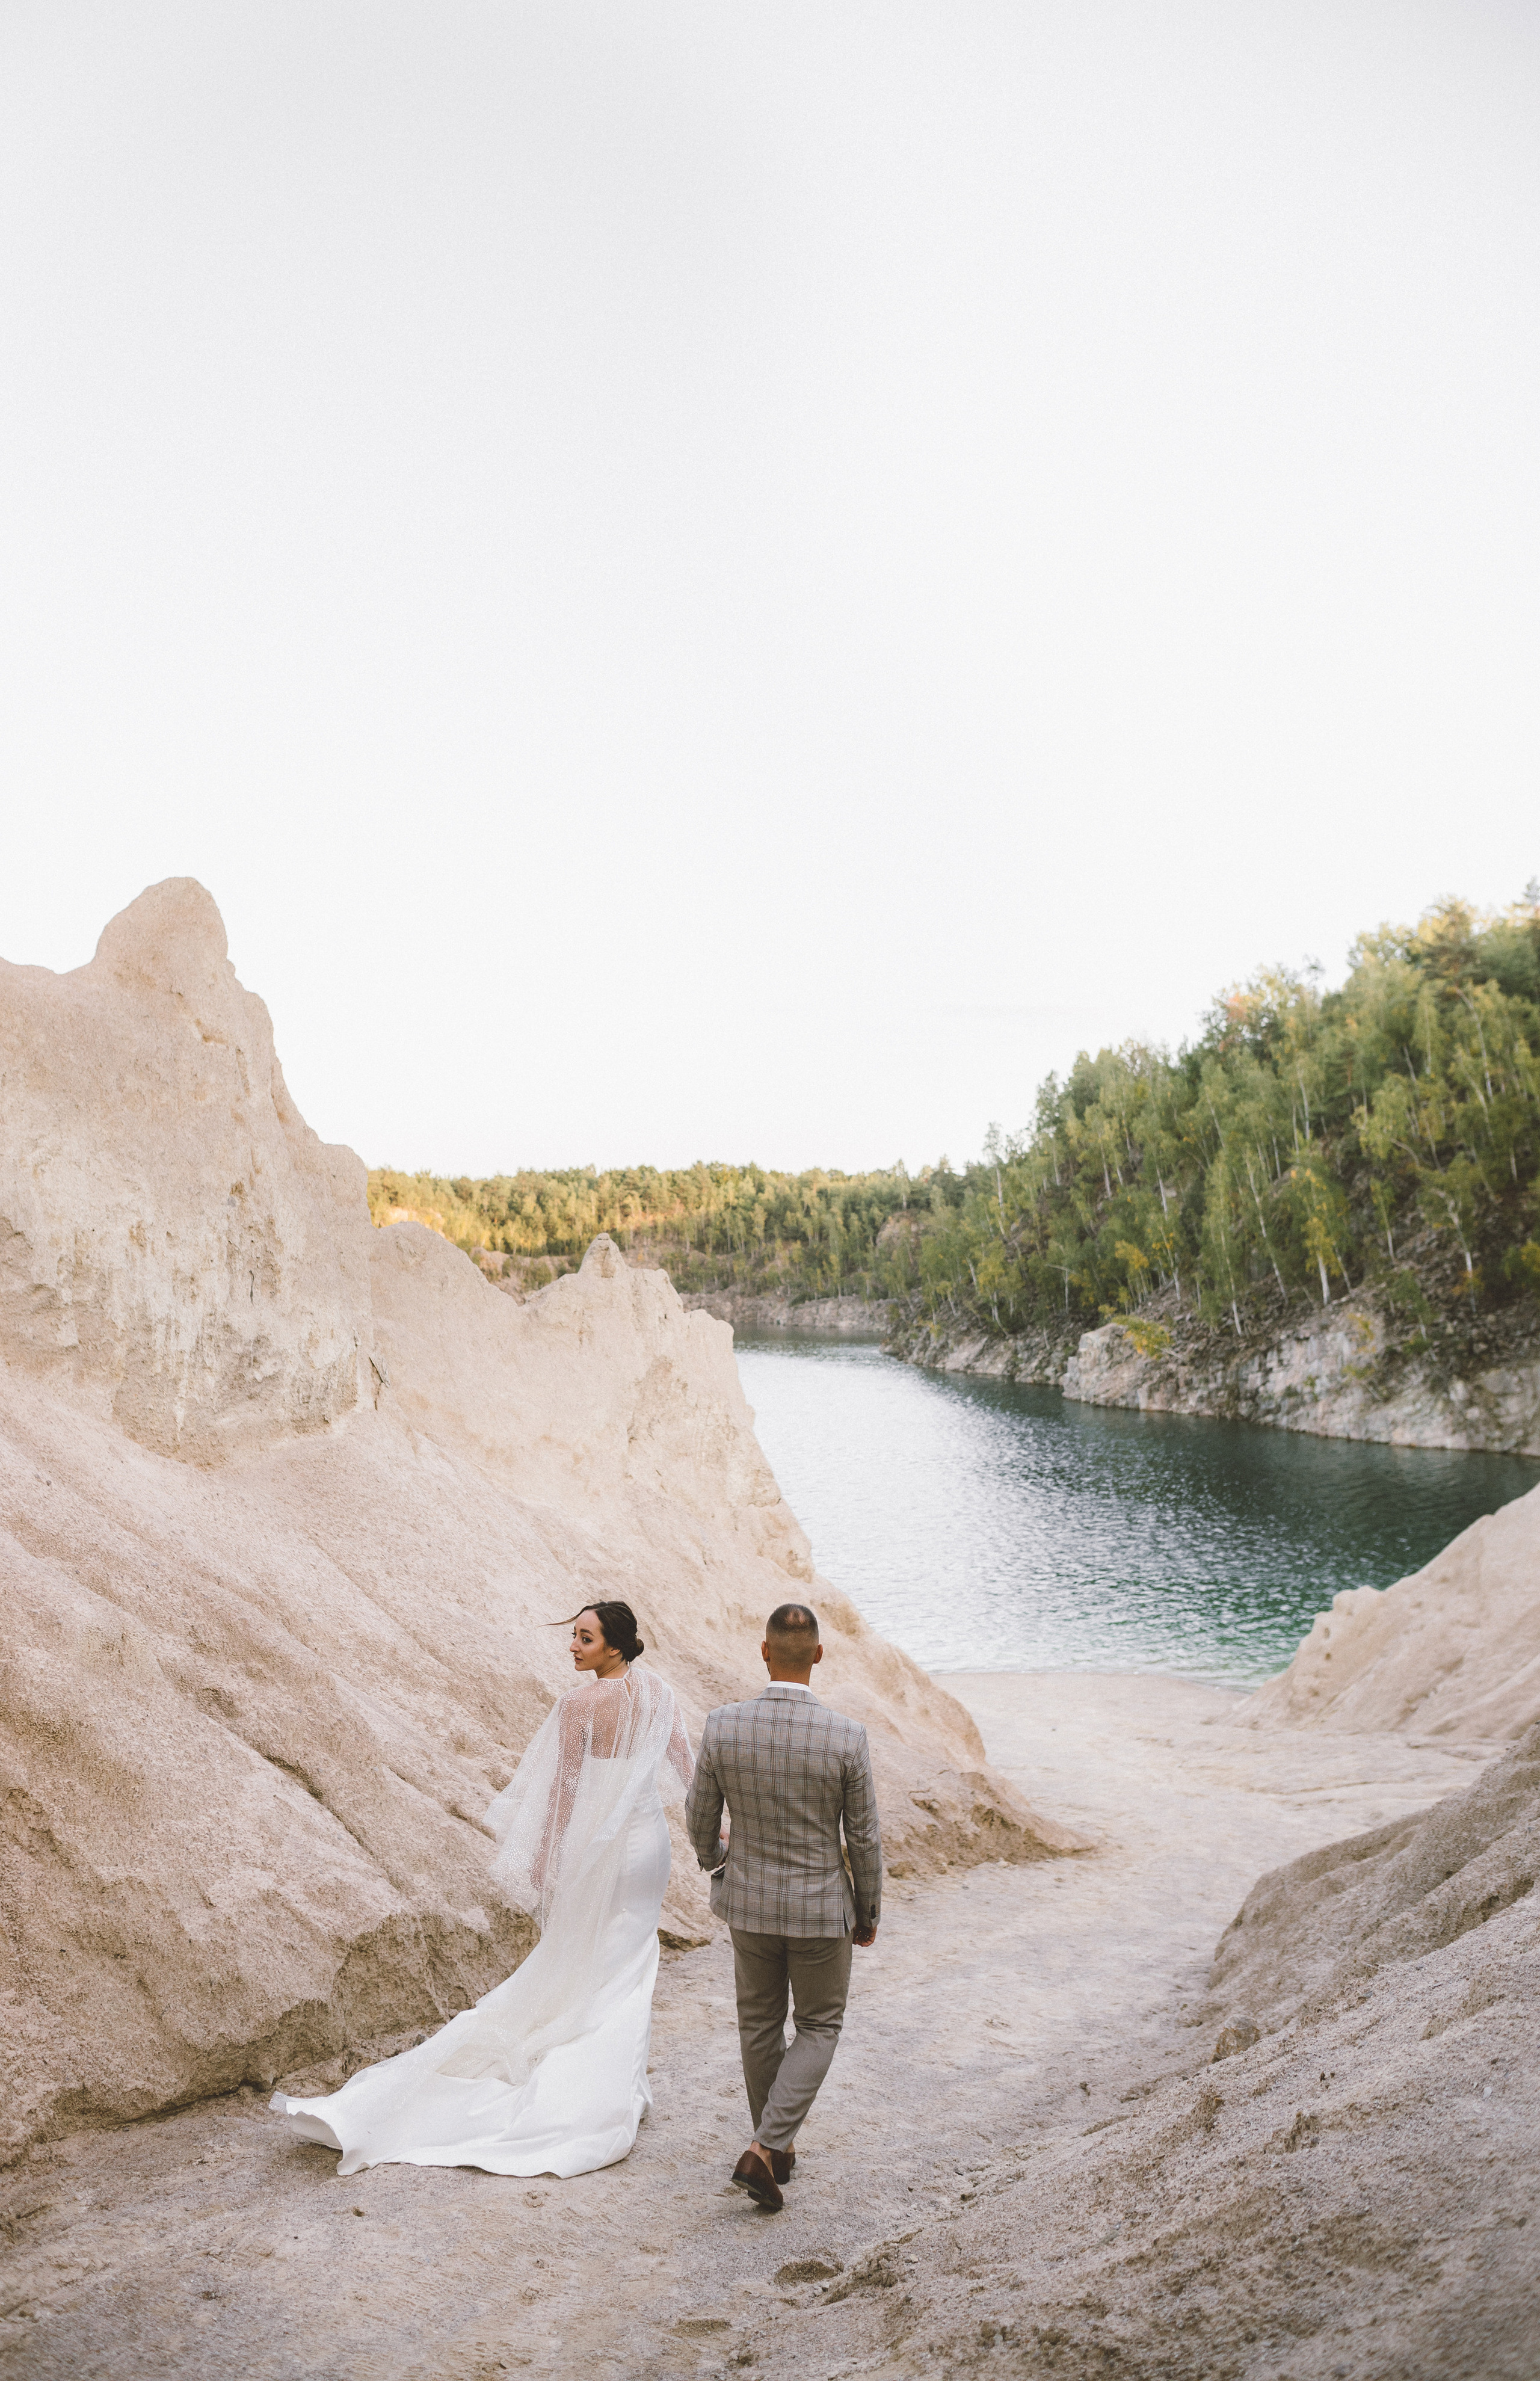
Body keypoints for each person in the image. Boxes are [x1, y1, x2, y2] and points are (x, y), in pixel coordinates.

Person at [271, 1600, 693, 2178]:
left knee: (583, 1954)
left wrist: (546, 1854)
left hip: (597, 1845)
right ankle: (618, 2085)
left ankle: (602, 2082)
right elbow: (687, 1773)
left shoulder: (579, 1705)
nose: (572, 1646)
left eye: (585, 1639)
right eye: (573, 1636)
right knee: (630, 1958)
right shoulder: (661, 1696)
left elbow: (565, 1791)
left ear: (614, 1647)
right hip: (647, 1844)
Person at [685, 1601, 882, 2212]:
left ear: (764, 1650)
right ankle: (767, 2147)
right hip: (821, 1908)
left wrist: (720, 1861)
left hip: (748, 1905)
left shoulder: (723, 1725)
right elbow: (864, 1837)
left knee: (759, 2023)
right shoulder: (846, 1736)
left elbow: (699, 1817)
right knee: (820, 2024)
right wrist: (868, 1909)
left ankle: (776, 2149)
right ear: (818, 1655)